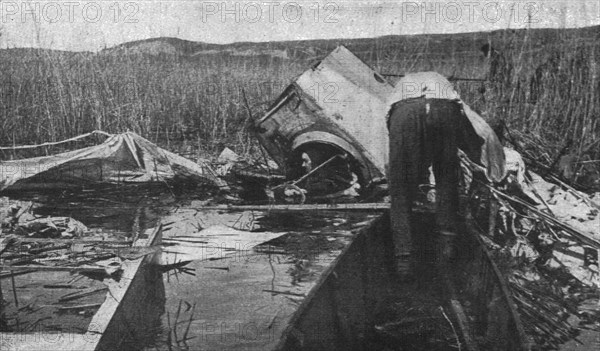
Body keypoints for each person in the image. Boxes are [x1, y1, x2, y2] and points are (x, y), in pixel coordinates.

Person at [387, 72, 506, 280]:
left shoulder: (398, 95)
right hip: (444, 111)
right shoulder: (447, 91)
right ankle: (447, 248)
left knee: (400, 188)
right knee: (446, 178)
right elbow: (477, 134)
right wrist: (489, 166)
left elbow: (391, 152)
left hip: (404, 113)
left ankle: (403, 258)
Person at [278, 143, 360, 203]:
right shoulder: (312, 179)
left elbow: (321, 190)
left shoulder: (331, 182)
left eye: (306, 161)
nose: (303, 165)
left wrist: (303, 192)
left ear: (316, 162)